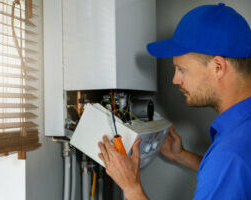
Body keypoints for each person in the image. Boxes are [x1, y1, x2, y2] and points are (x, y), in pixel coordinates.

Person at [98, 3, 251, 200]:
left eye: (182, 70)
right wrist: (182, 156)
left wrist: (132, 187)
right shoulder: (240, 134)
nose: (175, 80)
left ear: (218, 67)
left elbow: (228, 166)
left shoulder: (228, 155)